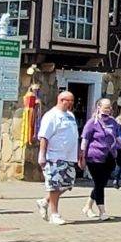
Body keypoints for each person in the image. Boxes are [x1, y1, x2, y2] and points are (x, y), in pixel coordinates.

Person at [37, 89, 81, 225]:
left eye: (72, 101)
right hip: (55, 156)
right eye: (69, 101)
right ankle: (54, 214)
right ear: (61, 100)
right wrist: (42, 155)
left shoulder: (70, 116)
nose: (71, 103)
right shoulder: (51, 115)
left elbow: (74, 135)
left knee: (67, 184)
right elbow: (44, 136)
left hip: (69, 156)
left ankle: (45, 201)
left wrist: (79, 153)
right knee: (55, 186)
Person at [82, 95, 121, 220]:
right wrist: (82, 154)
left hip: (109, 156)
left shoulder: (113, 121)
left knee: (101, 183)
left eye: (109, 107)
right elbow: (85, 139)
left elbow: (117, 136)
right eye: (106, 107)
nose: (108, 109)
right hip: (94, 156)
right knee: (99, 183)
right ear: (99, 107)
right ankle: (102, 211)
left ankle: (87, 206)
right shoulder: (92, 122)